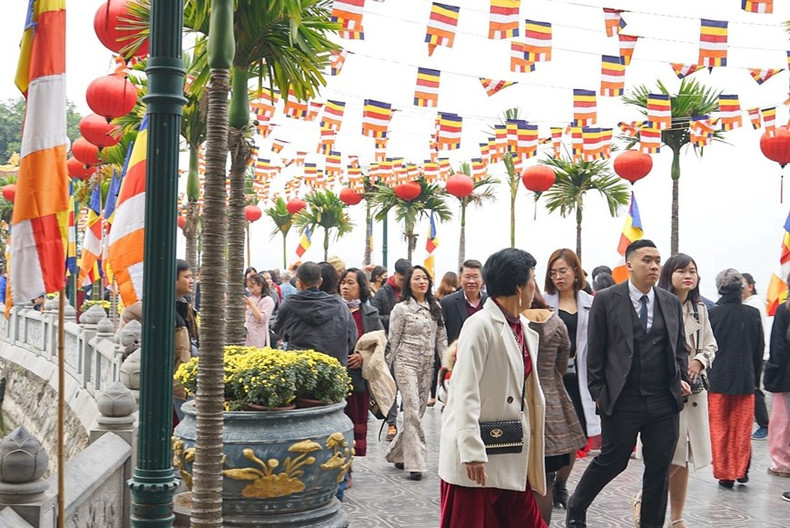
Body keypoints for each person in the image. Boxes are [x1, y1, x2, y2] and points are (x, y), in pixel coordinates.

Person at [567, 240, 691, 528]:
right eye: (647, 260)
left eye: (658, 260)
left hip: (663, 400)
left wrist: (681, 377)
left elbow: (679, 346)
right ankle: (577, 504)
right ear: (629, 265)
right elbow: (594, 351)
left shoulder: (670, 301)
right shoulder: (607, 299)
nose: (654, 266)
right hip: (623, 398)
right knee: (614, 458)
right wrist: (599, 392)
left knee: (659, 467)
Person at [438, 248, 546, 528]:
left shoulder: (520, 325)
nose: (536, 285)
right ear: (519, 286)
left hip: (508, 447)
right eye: (533, 278)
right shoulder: (480, 325)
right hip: (478, 455)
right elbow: (464, 391)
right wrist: (472, 451)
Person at [649, 253, 718, 528]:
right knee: (669, 454)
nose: (688, 276)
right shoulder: (655, 307)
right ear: (669, 275)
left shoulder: (699, 309)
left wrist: (700, 360)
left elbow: (710, 345)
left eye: (692, 271)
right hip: (665, 393)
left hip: (695, 393)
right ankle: (646, 500)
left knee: (684, 457)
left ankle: (676, 518)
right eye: (681, 271)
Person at [523, 287, 585, 525]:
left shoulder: (516, 322)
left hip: (522, 397)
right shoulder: (556, 323)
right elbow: (563, 361)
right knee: (545, 476)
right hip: (553, 397)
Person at [542, 248, 599, 509]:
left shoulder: (592, 301)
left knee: (576, 436)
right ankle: (548, 478)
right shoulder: (543, 301)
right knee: (554, 433)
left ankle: (560, 483)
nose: (558, 277)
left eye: (563, 271)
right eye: (553, 272)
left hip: (582, 380)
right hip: (553, 378)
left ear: (576, 271)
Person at [385, 265, 448, 481]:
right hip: (405, 363)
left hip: (427, 365)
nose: (422, 282)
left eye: (425, 278)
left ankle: (396, 453)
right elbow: (392, 340)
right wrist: (385, 369)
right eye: (416, 278)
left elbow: (441, 339)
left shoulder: (435, 307)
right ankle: (416, 463)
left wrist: (448, 364)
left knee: (417, 413)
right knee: (411, 409)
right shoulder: (401, 309)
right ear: (408, 284)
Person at [707, 268, 764, 488]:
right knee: (742, 428)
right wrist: (755, 380)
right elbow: (759, 349)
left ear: (720, 288)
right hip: (745, 379)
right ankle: (741, 469)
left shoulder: (712, 314)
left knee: (719, 429)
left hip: (718, 381)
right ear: (741, 288)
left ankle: (725, 474)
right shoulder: (752, 315)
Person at [339, 268, 384, 465]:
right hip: (336, 375)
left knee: (354, 420)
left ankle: (348, 466)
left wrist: (362, 356)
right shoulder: (333, 309)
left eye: (351, 283)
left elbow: (381, 343)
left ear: (361, 287)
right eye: (343, 282)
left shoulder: (370, 314)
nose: (345, 287)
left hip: (358, 378)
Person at [272, 262, 356, 366]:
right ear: (320, 282)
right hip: (333, 369)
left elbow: (277, 331)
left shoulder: (289, 305)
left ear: (299, 283)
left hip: (300, 369)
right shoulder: (340, 305)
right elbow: (351, 337)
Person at [372, 257, 412, 440]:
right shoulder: (382, 293)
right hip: (388, 346)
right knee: (391, 387)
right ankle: (392, 423)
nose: (404, 283)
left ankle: (409, 422)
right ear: (395, 275)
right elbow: (375, 317)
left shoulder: (411, 293)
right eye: (402, 279)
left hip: (408, 347)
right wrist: (396, 319)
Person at [765, 272, 790, 478]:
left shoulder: (785, 310)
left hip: (786, 375)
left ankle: (781, 463)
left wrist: (773, 369)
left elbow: (778, 345)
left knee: (781, 421)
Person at [741, 272, 770, 440]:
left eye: (743, 285)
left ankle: (764, 424)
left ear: (751, 287)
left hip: (757, 352)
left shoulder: (755, 303)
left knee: (754, 388)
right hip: (755, 351)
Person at [175, 259, 200, 422]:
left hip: (190, 380)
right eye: (186, 277)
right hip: (177, 385)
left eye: (192, 277)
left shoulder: (186, 307)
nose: (191, 281)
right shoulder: (167, 311)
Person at [440, 260, 487, 344]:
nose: (471, 281)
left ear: (482, 279)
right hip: (458, 353)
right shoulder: (447, 303)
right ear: (460, 279)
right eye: (467, 277)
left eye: (476, 277)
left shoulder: (491, 301)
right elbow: (441, 335)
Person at [244, 273, 275, 348]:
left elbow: (262, 318)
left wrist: (251, 305)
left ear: (260, 285)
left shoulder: (268, 300)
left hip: (259, 337)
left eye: (252, 287)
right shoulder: (251, 298)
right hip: (247, 335)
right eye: (248, 288)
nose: (251, 290)